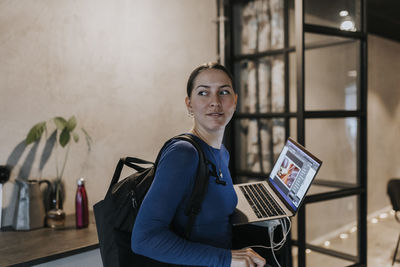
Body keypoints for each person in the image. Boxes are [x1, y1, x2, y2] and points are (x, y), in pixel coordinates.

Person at [131, 62, 266, 267]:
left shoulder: (222, 153)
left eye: (224, 92)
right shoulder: (183, 153)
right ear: (189, 104)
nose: (215, 102)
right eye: (203, 93)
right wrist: (227, 258)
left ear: (235, 101)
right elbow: (144, 239)